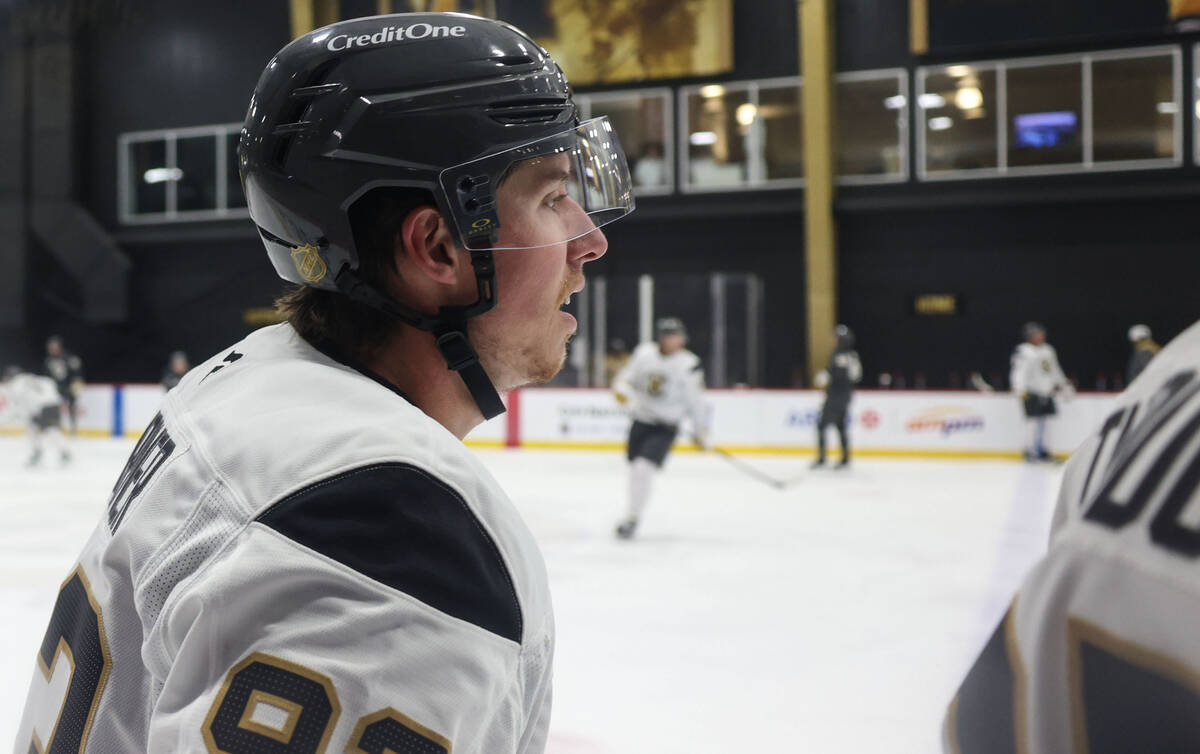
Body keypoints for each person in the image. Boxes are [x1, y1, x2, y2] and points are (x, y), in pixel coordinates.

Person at [15, 13, 632, 754]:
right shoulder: (389, 527)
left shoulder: (237, 386)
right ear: (439, 246)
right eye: (553, 199)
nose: (590, 241)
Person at [943, 319, 1200, 753]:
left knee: (1041, 430)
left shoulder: (1163, 369)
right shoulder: (1032, 357)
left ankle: (1036, 448)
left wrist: (1058, 384)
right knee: (1034, 429)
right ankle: (1032, 448)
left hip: (1021, 700)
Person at [612, 316, 709, 539]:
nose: (676, 340)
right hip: (641, 421)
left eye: (678, 336)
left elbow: (696, 401)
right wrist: (622, 390)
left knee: (642, 468)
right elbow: (627, 378)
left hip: (665, 427)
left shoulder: (689, 365)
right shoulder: (645, 353)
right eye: (670, 336)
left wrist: (701, 430)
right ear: (662, 338)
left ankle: (631, 518)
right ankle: (632, 514)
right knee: (635, 467)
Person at [1009, 321, 1070, 462]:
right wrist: (1019, 388)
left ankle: (1042, 450)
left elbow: (1054, 369)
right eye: (1036, 334)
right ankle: (1030, 451)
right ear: (1029, 336)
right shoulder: (1023, 351)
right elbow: (1019, 371)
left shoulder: (1048, 350)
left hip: (1046, 392)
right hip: (1032, 392)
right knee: (1032, 423)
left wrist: (1062, 383)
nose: (1040, 337)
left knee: (1046, 423)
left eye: (1041, 334)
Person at [812, 324, 861, 469]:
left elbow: (855, 375)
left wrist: (829, 375)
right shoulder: (842, 355)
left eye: (837, 338)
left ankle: (823, 458)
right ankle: (845, 458)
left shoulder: (848, 356)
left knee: (822, 426)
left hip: (837, 397)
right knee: (840, 426)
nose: (835, 341)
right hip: (841, 396)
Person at [1, 366, 70, 466]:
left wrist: (19, 415)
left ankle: (62, 452)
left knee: (48, 430)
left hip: (41, 407)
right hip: (51, 404)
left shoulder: (16, 384)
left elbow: (20, 402)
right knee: (38, 429)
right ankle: (53, 452)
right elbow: (50, 384)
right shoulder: (34, 378)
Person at [43, 334, 84, 435]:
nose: (52, 349)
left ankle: (73, 428)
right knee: (53, 407)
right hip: (55, 387)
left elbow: (78, 371)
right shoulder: (48, 360)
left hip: (69, 386)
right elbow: (46, 375)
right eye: (51, 347)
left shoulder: (69, 358)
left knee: (71, 406)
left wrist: (77, 383)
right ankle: (55, 427)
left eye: (54, 347)